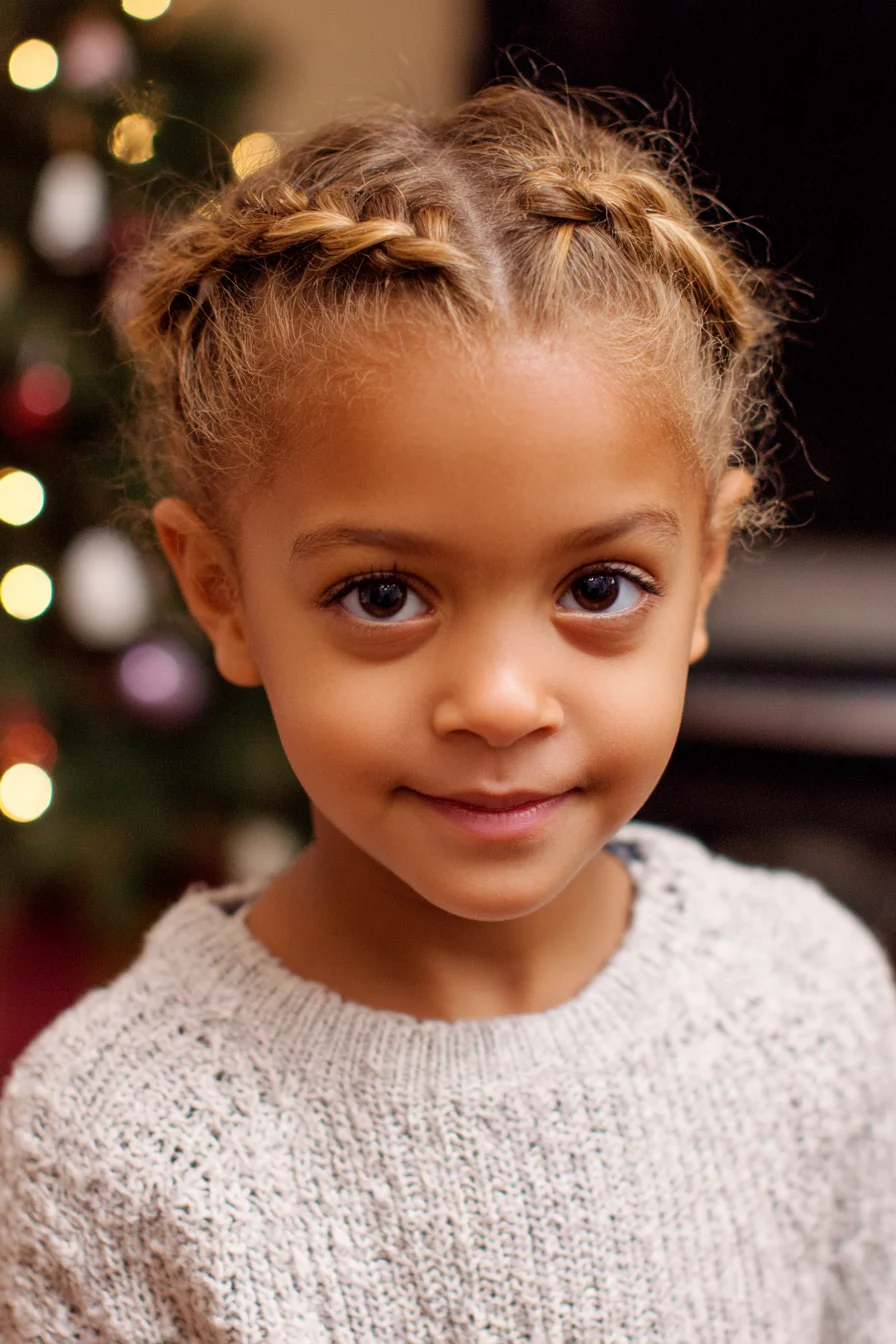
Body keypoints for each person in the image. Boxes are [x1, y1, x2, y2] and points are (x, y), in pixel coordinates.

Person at [1, 83, 893, 1343]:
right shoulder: (113, 1148)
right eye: (381, 595)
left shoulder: (805, 997)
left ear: (703, 572)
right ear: (222, 594)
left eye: (598, 587)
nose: (498, 702)